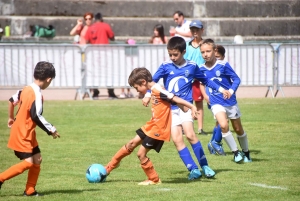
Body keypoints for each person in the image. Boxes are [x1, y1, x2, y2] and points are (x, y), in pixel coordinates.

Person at [143, 36, 230, 180]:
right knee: (177, 139)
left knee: (190, 135)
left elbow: (206, 80)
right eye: (170, 54)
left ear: (183, 52)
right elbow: (152, 82)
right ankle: (193, 169)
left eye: (175, 54)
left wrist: (221, 90)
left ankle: (205, 166)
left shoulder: (192, 66)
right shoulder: (165, 66)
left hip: (185, 107)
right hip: (169, 109)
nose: (172, 57)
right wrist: (147, 93)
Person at [105, 67, 198, 185]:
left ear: (143, 82)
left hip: (158, 129)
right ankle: (108, 168)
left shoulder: (158, 90)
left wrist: (192, 107)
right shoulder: (154, 90)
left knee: (141, 154)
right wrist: (184, 107)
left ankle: (154, 179)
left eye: (136, 87)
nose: (137, 91)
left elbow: (174, 98)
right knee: (131, 144)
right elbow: (173, 101)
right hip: (151, 125)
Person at [0, 61, 61, 196]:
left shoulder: (25, 89)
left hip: (27, 132)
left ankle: (30, 190)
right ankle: (0, 178)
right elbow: (36, 115)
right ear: (48, 79)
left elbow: (11, 100)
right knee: (28, 163)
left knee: (37, 159)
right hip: (22, 133)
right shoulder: (37, 94)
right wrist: (51, 129)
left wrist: (10, 117)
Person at [199, 39, 252, 163]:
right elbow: (203, 83)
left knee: (238, 129)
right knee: (223, 125)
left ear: (214, 51)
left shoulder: (223, 65)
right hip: (215, 101)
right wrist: (206, 96)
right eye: (202, 52)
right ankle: (236, 153)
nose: (205, 54)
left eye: (208, 51)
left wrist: (231, 92)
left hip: (230, 101)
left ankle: (246, 152)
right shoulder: (201, 68)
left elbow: (236, 80)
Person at [84, 12, 116, 99]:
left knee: (95, 73)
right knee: (108, 72)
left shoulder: (91, 27)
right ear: (102, 18)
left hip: (94, 53)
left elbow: (86, 41)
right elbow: (112, 37)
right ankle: (111, 92)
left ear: (95, 19)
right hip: (105, 53)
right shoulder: (105, 25)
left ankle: (95, 92)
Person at [201, 45, 226, 155]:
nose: (216, 59)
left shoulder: (223, 67)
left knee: (219, 122)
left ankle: (212, 144)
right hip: (213, 98)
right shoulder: (205, 68)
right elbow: (201, 84)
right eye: (215, 56)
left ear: (223, 57)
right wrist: (206, 97)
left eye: (219, 57)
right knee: (223, 121)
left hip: (224, 98)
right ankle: (216, 142)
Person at [183, 19, 207, 135]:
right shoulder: (187, 45)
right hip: (187, 78)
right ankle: (187, 127)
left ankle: (200, 128)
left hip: (199, 79)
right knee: (186, 103)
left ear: (202, 30)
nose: (195, 32)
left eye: (197, 29)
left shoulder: (205, 45)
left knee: (199, 103)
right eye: (192, 29)